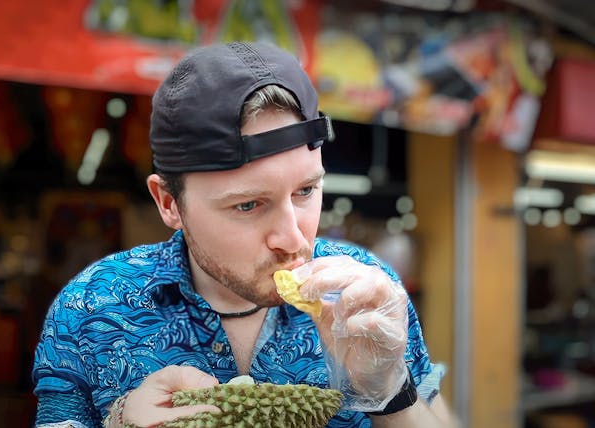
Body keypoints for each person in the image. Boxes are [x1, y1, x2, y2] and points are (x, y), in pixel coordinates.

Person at [32, 41, 458, 428]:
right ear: (168, 203)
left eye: (306, 191)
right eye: (248, 205)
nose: (293, 239)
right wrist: (119, 422)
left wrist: (389, 390)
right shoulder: (92, 305)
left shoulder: (363, 290)